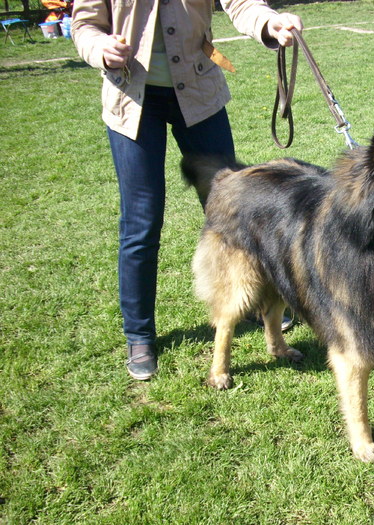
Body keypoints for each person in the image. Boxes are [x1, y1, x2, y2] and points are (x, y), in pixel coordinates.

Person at [72, 0, 303, 381]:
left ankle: (250, 307)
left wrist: (270, 23)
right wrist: (99, 48)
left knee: (235, 208)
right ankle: (140, 335)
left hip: (198, 91)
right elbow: (84, 26)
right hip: (131, 97)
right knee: (141, 223)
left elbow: (242, 3)